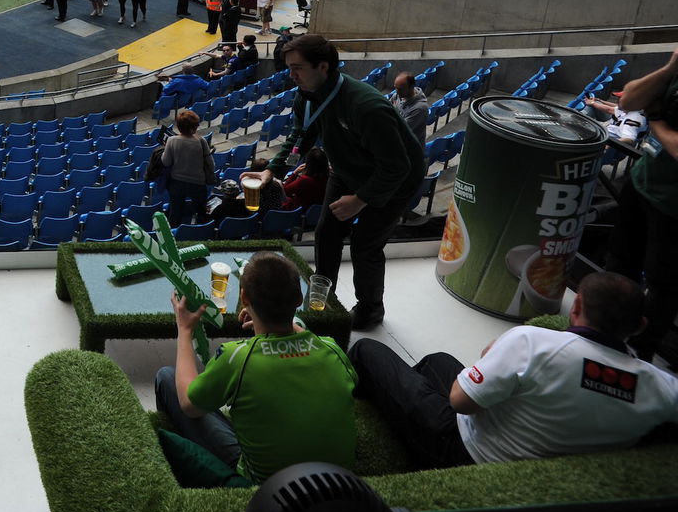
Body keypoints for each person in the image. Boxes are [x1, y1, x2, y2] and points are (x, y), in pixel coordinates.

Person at [350, 271, 678, 468]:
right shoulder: (660, 386)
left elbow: (461, 402)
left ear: (575, 307)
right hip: (536, 444)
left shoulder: (533, 342)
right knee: (437, 361)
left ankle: (371, 420)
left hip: (467, 449)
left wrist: (489, 359)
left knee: (367, 349)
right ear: (640, 326)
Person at [241, 33, 423, 330]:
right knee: (326, 233)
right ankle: (323, 301)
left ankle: (370, 309)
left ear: (323, 67)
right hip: (346, 170)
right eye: (289, 67)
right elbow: (301, 138)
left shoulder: (366, 107)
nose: (291, 74)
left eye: (297, 67)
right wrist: (272, 171)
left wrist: (360, 199)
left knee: (365, 245)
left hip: (394, 181)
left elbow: (398, 166)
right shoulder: (306, 97)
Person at [154, 250, 357, 483]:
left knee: (167, 377)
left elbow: (189, 406)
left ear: (244, 298)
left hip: (267, 489)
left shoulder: (238, 357)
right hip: (338, 482)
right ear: (300, 299)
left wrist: (185, 330)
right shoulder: (332, 349)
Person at [605, 46, 678, 361]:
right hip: (641, 182)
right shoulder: (675, 72)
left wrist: (657, 117)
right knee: (621, 263)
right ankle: (605, 332)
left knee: (663, 284)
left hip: (673, 205)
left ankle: (640, 351)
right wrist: (669, 68)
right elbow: (629, 100)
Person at [157, 109, 214, 227]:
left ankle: (175, 236)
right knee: (201, 212)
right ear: (194, 127)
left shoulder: (172, 141)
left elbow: (166, 162)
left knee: (175, 212)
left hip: (176, 183)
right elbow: (211, 164)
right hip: (198, 183)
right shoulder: (201, 141)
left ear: (179, 126)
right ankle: (200, 232)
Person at [392, 71, 429, 142]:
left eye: (400, 89)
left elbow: (401, 130)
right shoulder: (397, 95)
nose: (396, 91)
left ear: (411, 87)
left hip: (410, 149)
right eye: (395, 88)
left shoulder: (420, 108)